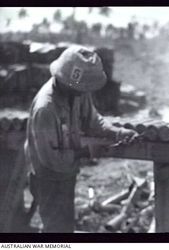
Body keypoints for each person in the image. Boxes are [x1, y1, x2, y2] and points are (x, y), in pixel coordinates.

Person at [24, 45, 138, 232]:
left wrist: (117, 132)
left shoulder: (77, 93)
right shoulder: (46, 108)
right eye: (82, 88)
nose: (86, 92)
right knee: (55, 227)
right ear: (68, 81)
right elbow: (51, 159)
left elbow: (94, 121)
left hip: (67, 172)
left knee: (65, 225)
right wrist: (88, 152)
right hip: (48, 177)